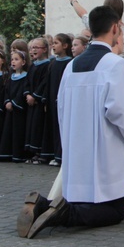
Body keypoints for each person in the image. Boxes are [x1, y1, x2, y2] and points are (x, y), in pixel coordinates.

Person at [23, 6, 124, 238]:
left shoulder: (72, 66)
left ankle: (43, 205)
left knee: (83, 199)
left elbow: (61, 107)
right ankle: (62, 215)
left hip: (77, 149)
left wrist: (69, 137)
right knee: (114, 211)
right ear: (114, 28)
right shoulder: (115, 64)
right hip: (107, 150)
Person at [69, 0, 124, 70]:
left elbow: (83, 14)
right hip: (122, 70)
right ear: (122, 11)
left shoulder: (98, 24)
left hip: (98, 67)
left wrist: (73, 1)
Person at [43, 33, 73, 167]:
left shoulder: (70, 63)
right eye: (53, 43)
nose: (53, 46)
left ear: (65, 46)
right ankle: (54, 154)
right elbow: (48, 83)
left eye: (56, 43)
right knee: (54, 127)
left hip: (63, 100)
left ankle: (62, 155)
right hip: (52, 100)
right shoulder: (53, 63)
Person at [0, 49, 30, 162]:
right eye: (12, 59)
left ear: (23, 62)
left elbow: (22, 91)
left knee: (18, 131)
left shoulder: (25, 76)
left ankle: (19, 154)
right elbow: (6, 91)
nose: (13, 62)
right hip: (10, 109)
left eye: (16, 59)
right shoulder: (10, 77)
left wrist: (14, 102)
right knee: (8, 130)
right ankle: (8, 153)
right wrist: (7, 101)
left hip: (19, 110)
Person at [24, 37, 51, 164]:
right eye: (32, 47)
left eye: (36, 47)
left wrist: (35, 96)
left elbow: (44, 83)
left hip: (38, 102)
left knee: (38, 126)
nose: (33, 50)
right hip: (31, 102)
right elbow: (27, 82)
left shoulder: (47, 65)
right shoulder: (32, 66)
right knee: (31, 126)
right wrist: (28, 94)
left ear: (45, 49)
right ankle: (32, 152)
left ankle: (40, 151)